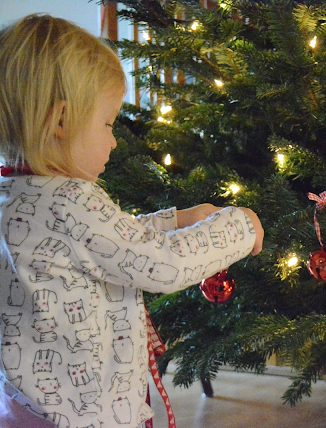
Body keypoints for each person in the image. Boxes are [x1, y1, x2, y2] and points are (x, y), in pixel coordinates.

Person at [0, 14, 263, 428]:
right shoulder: (70, 199)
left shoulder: (16, 195)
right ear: (62, 121)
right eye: (107, 123)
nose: (114, 139)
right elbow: (162, 264)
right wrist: (241, 227)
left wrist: (177, 220)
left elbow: (109, 240)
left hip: (26, 409)